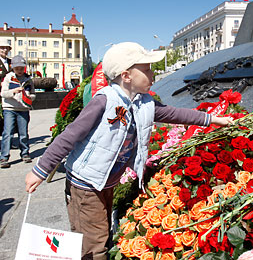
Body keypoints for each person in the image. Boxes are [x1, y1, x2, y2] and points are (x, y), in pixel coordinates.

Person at [25, 39, 210, 257]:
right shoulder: (104, 101)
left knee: (101, 231)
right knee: (94, 244)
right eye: (147, 69)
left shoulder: (143, 102)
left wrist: (212, 119)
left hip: (106, 182)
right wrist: (40, 170)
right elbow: (69, 136)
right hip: (85, 185)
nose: (153, 74)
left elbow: (175, 114)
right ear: (126, 76)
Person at [0, 54, 34, 166]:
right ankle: (4, 157)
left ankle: (25, 153)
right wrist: (13, 91)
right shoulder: (8, 78)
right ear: (12, 68)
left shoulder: (28, 79)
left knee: (23, 133)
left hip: (23, 108)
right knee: (8, 133)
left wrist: (29, 97)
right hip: (10, 108)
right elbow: (3, 93)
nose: (19, 70)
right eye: (17, 68)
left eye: (21, 68)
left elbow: (33, 94)